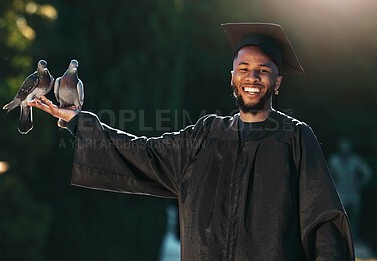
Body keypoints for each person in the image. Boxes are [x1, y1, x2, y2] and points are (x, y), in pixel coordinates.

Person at [29, 23, 355, 260]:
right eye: (243, 68)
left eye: (263, 70)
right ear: (232, 77)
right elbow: (143, 154)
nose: (252, 77)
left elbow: (324, 221)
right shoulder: (205, 136)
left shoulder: (295, 138)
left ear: (277, 81)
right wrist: (78, 123)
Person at [328, 137, 373, 240]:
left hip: (353, 192)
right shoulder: (334, 160)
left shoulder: (355, 160)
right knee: (340, 216)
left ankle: (353, 238)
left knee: (354, 218)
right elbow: (329, 175)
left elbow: (367, 173)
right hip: (340, 192)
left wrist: (360, 184)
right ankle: (340, 237)